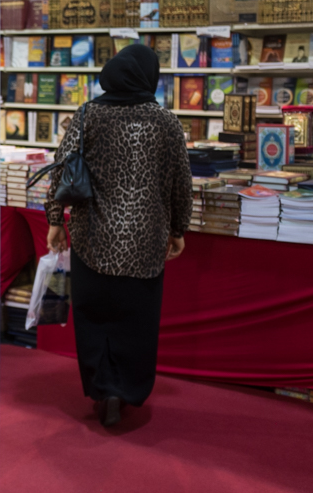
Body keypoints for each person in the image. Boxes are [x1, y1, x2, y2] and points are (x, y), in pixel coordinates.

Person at [45, 43, 192, 428]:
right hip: (146, 242)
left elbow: (61, 170)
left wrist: (55, 220)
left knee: (94, 317)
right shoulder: (166, 122)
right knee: (137, 321)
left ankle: (102, 388)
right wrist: (178, 229)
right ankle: (126, 389)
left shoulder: (88, 114)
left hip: (93, 237)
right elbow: (181, 182)